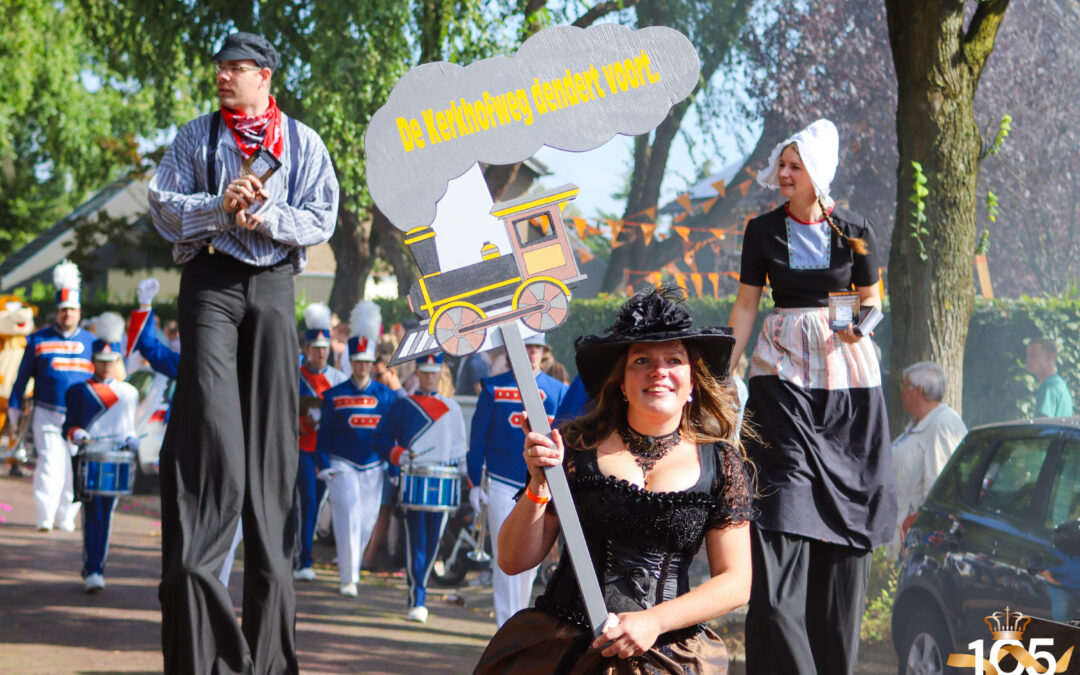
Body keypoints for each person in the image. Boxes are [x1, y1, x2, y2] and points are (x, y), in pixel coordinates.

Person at [147, 31, 338, 674]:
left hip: (275, 287)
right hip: (211, 284)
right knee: (213, 443)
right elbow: (162, 207)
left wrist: (269, 215)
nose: (223, 76)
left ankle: (271, 662)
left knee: (272, 461)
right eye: (219, 67)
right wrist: (218, 207)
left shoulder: (303, 142)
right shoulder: (195, 137)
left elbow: (322, 216)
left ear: (264, 75)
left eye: (235, 67)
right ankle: (204, 656)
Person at [474, 288, 753, 673]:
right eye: (642, 360)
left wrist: (654, 621)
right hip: (563, 650)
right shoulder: (573, 450)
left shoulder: (721, 464)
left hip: (669, 656)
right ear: (621, 381)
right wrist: (538, 485)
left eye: (674, 360)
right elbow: (512, 560)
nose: (658, 371)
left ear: (692, 382)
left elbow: (736, 581)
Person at [729, 119, 896, 674]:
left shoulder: (855, 228)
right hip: (781, 371)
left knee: (840, 546)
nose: (782, 174)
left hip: (844, 380)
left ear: (817, 172)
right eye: (781, 164)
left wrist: (859, 327)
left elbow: (872, 301)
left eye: (794, 166)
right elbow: (747, 306)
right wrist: (725, 371)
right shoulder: (761, 230)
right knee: (780, 492)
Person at [467, 332, 568, 627]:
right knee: (506, 556)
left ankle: (517, 623)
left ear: (544, 351)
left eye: (537, 347)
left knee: (530, 562)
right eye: (527, 347)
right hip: (501, 481)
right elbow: (478, 439)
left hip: (541, 486)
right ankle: (505, 626)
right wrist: (475, 482)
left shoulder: (558, 390)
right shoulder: (492, 387)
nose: (532, 353)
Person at [373, 352, 468, 623]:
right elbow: (379, 438)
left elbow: (460, 450)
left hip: (443, 483)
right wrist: (398, 454)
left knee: (433, 542)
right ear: (417, 374)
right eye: (424, 372)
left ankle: (419, 591)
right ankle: (418, 597)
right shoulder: (403, 405)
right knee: (417, 540)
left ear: (440, 374)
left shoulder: (452, 408)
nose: (429, 377)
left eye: (433, 373)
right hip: (414, 481)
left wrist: (468, 480)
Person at [315, 301, 401, 597]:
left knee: (366, 522)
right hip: (342, 465)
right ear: (351, 361)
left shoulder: (387, 396)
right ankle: (348, 576)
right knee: (347, 516)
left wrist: (393, 468)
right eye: (358, 361)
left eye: (367, 361)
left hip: (374, 467)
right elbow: (323, 434)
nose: (362, 366)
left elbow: (392, 437)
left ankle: (353, 568)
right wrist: (323, 464)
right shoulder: (333, 395)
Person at [9, 261, 95, 532]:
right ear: (56, 312)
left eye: (72, 310)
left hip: (80, 416)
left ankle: (66, 516)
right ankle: (45, 517)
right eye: (63, 310)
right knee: (49, 464)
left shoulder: (92, 342)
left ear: (79, 312)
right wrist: (14, 407)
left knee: (74, 466)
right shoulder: (38, 339)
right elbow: (22, 378)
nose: (67, 315)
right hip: (47, 412)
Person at [62, 313, 140, 593]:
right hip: (90, 459)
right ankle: (92, 567)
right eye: (102, 361)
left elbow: (129, 427)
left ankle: (97, 567)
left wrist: (133, 441)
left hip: (115, 460)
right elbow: (68, 426)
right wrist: (78, 434)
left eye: (111, 361)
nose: (106, 366)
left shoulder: (128, 393)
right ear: (93, 361)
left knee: (105, 516)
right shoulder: (78, 391)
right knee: (91, 514)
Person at [888, 361, 967, 559]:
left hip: (917, 548)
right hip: (897, 540)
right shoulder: (917, 425)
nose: (901, 393)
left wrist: (922, 540)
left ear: (919, 391)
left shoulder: (943, 424)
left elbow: (940, 490)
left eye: (905, 386)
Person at [295, 303, 347, 581]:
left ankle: (303, 553)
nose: (321, 352)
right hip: (301, 448)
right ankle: (304, 557)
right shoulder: (295, 376)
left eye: (324, 347)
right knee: (307, 500)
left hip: (326, 451)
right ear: (307, 349)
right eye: (315, 348)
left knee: (317, 503)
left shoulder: (338, 379)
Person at [1026, 338, 1074, 418]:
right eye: (1027, 356)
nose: (1028, 360)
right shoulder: (1060, 385)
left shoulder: (1049, 386)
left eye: (1033, 356)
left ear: (1049, 357)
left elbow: (1043, 423)